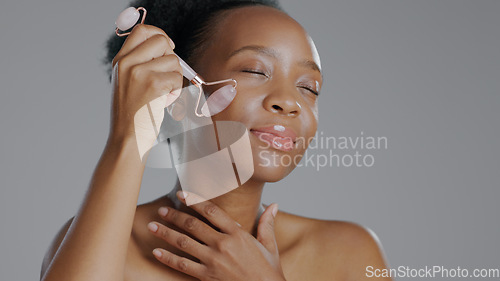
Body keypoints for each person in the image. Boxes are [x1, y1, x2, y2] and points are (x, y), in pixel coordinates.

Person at [40, 0, 392, 280]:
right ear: (180, 94)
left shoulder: (349, 254)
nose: (291, 102)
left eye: (309, 88)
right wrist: (128, 135)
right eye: (255, 70)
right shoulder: (98, 243)